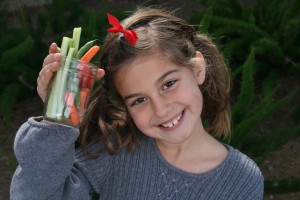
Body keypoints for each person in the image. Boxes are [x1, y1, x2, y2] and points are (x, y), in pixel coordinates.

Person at [10, 7, 264, 200]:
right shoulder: (116, 150)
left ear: (197, 69)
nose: (161, 109)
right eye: (139, 99)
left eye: (168, 84)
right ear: (124, 105)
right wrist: (59, 115)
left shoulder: (242, 180)